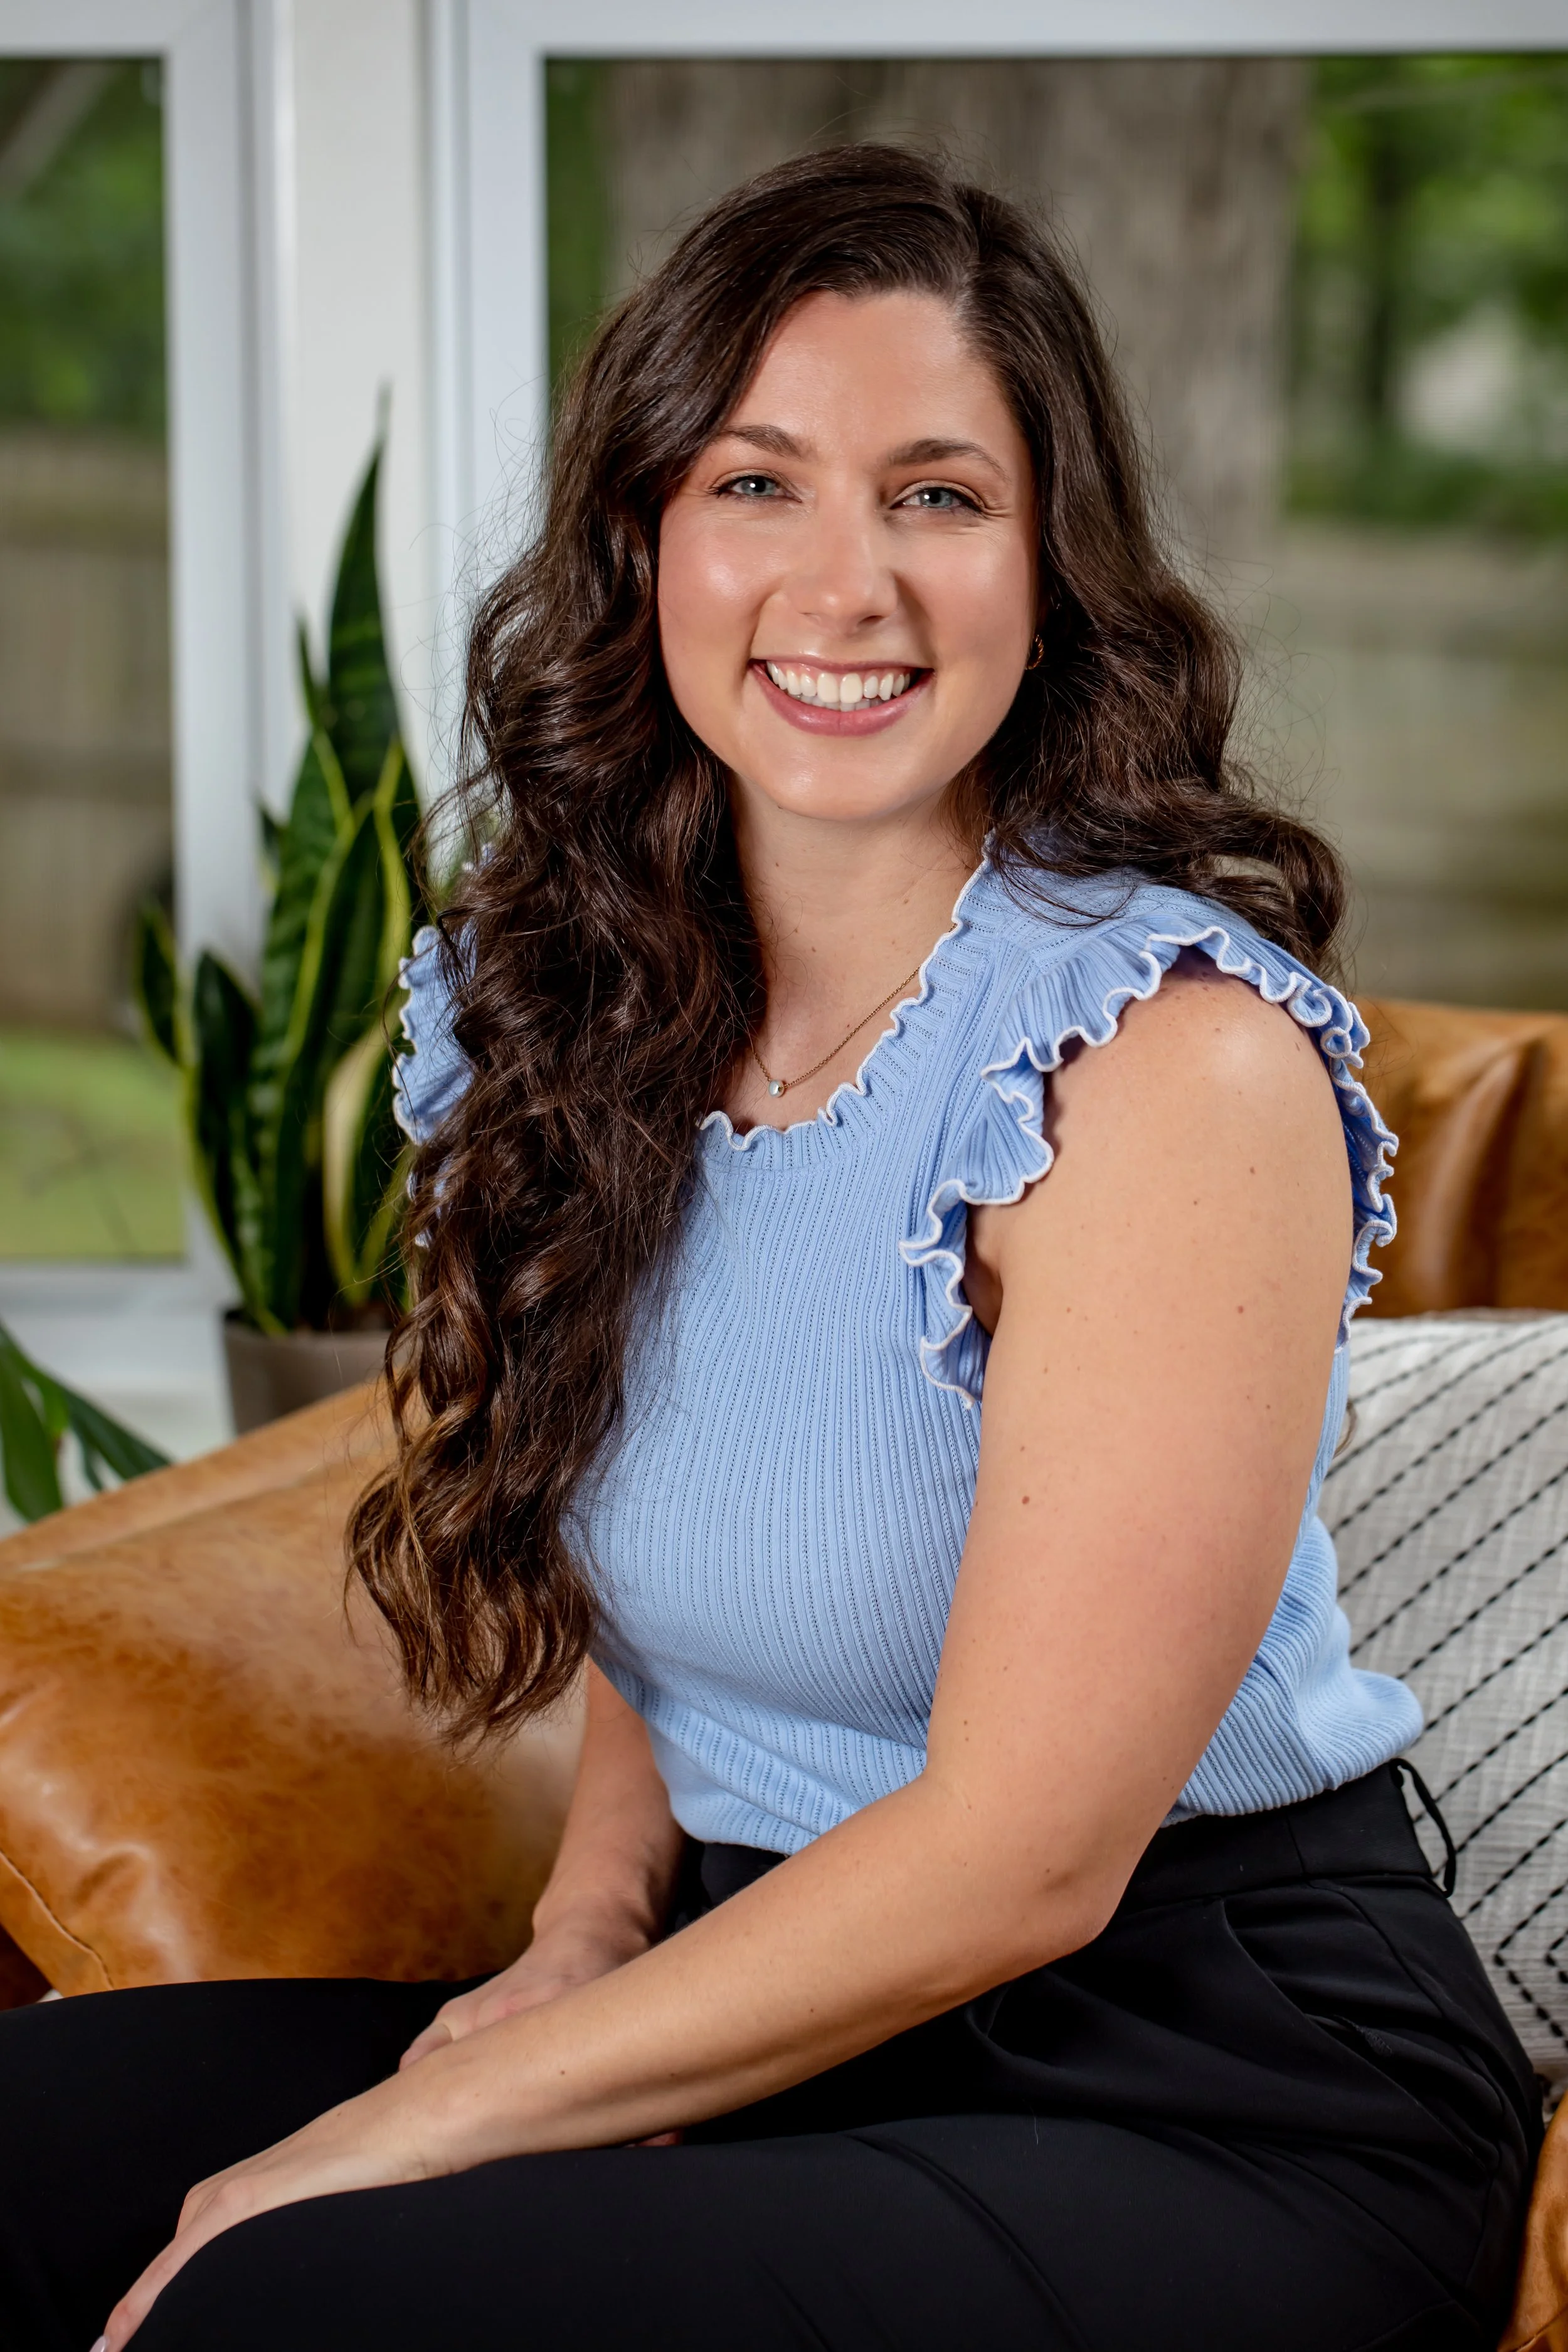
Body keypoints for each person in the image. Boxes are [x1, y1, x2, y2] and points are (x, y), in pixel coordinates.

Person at [0, 146, 1539, 2352]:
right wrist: (583, 1936)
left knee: (298, 2288)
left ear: (1049, 567)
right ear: (642, 541)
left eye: (937, 497)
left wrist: (405, 2130)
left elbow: (1024, 1857)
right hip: (762, 2001)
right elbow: (699, 1591)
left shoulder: (1164, 1062)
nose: (848, 584)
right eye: (756, 483)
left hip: (1199, 2083)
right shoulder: (567, 1007)